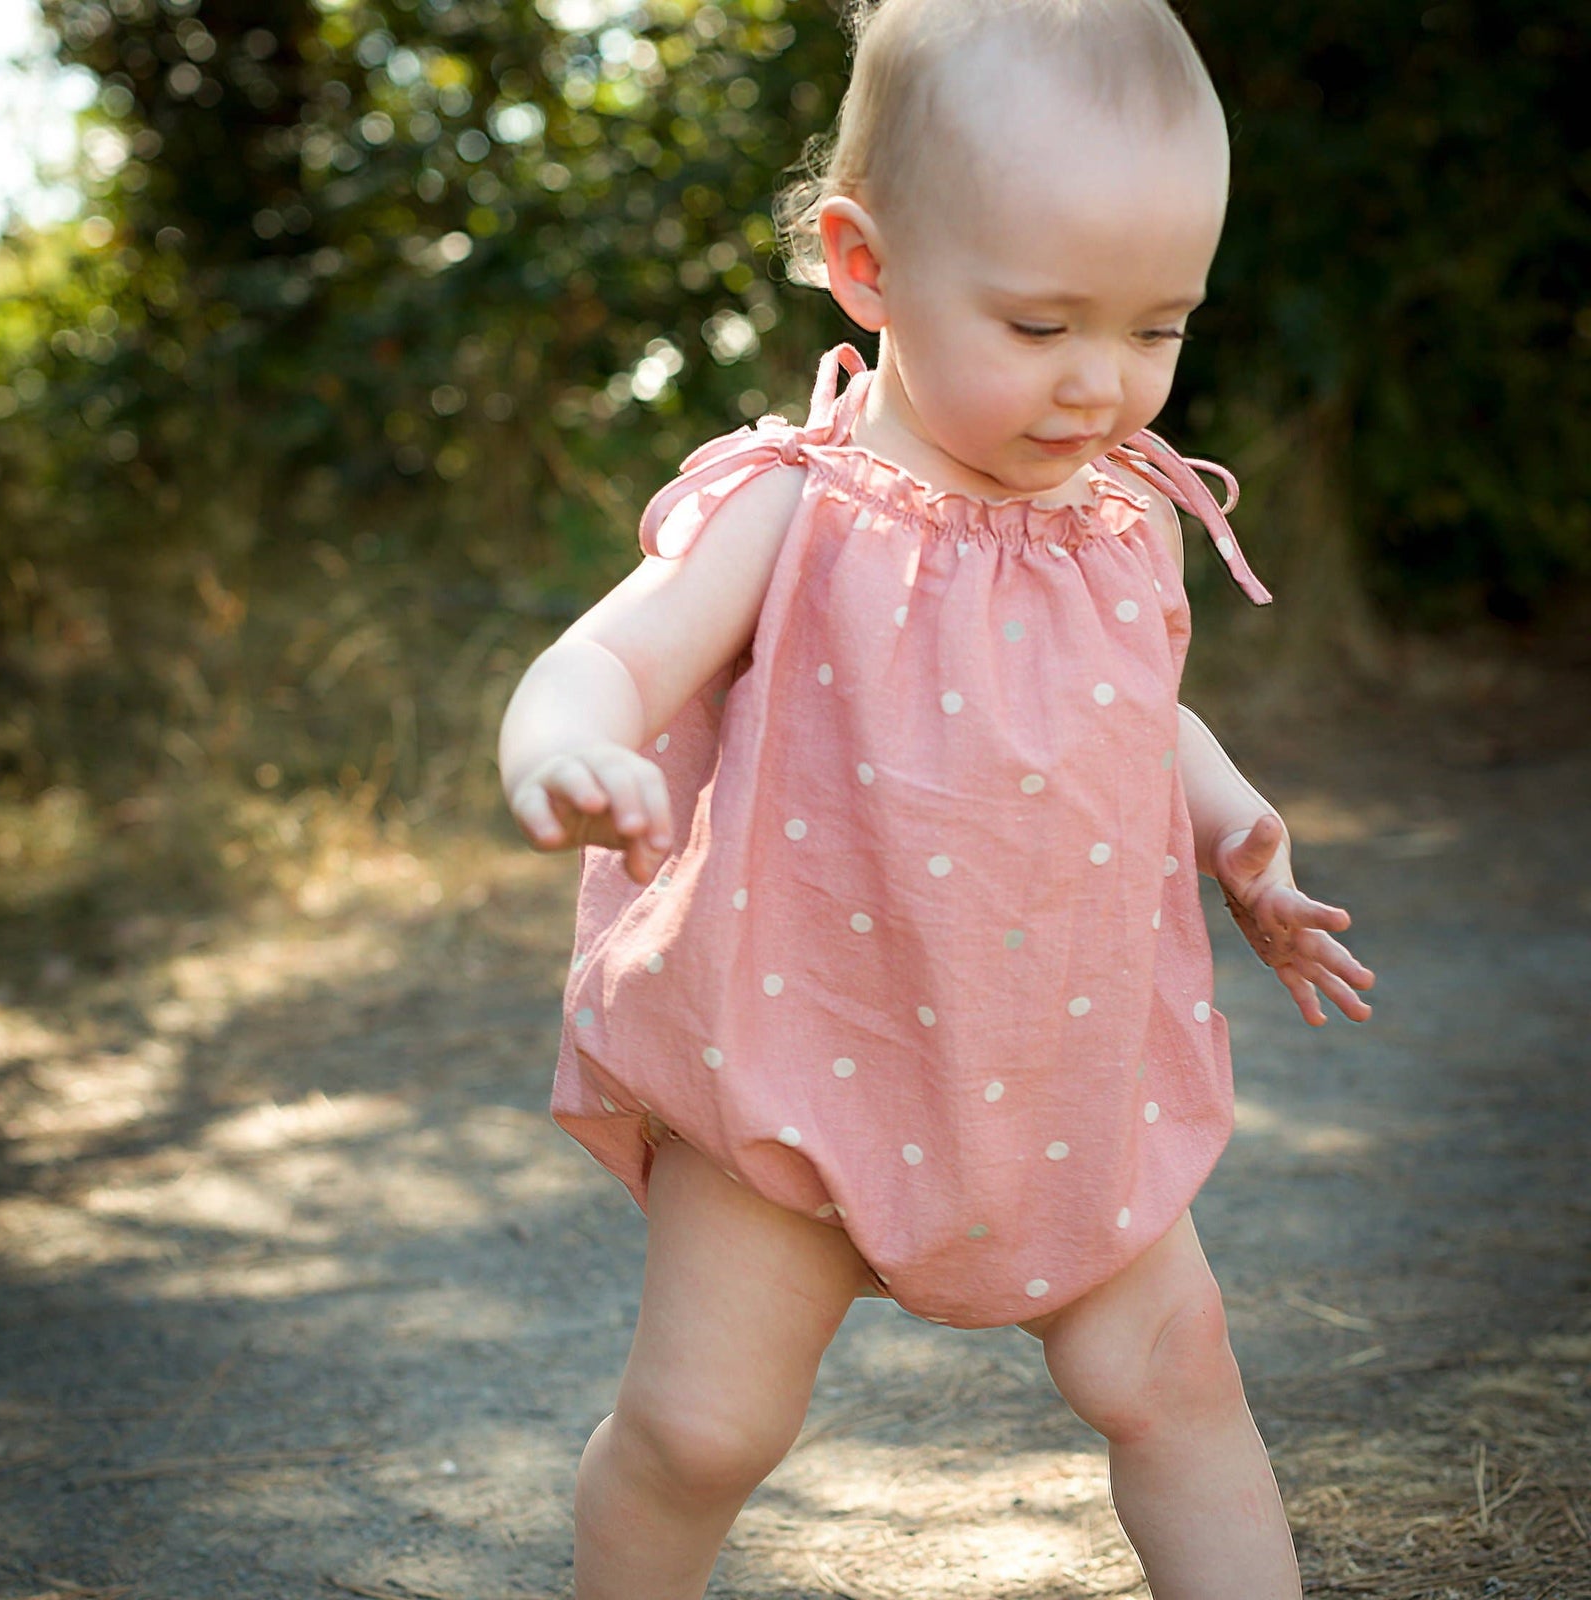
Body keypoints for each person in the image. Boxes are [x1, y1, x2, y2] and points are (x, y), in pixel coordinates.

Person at [498, 1, 1376, 1594]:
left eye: (1158, 327)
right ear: (868, 267)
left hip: (1058, 1073)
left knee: (1177, 1387)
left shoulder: (1122, 518)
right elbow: (605, 661)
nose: (1104, 385)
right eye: (1042, 327)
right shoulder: (793, 509)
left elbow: (1121, 708)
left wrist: (1234, 826)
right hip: (798, 1063)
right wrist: (567, 745)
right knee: (704, 1428)